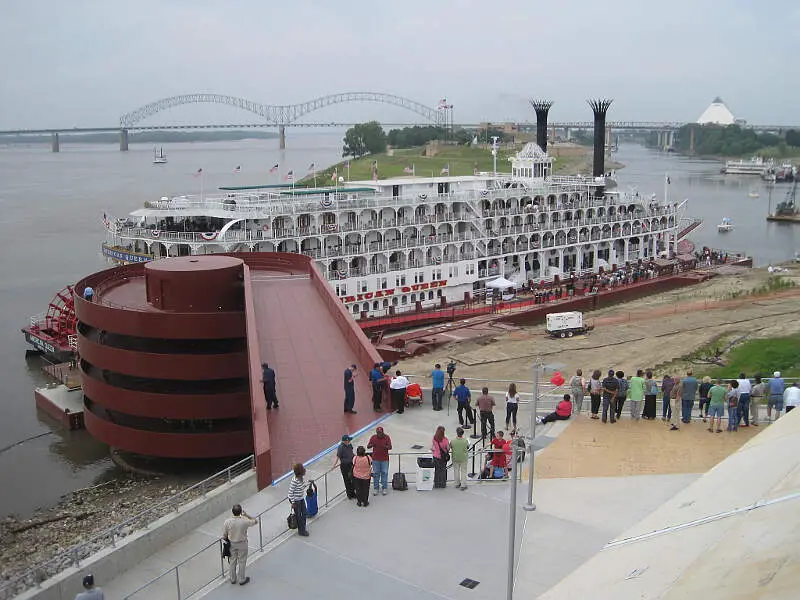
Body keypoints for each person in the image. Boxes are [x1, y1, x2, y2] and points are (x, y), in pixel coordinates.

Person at [222, 504, 258, 584]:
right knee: (242, 561)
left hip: (232, 544)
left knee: (232, 561)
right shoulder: (245, 521)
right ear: (240, 511)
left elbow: (224, 535)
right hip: (242, 543)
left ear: (232, 512)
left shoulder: (227, 522)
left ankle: (232, 578)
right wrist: (246, 515)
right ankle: (241, 579)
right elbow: (255, 521)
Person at [367, 426, 392, 496]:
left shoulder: (387, 437)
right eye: (378, 433)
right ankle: (376, 488)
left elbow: (390, 447)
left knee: (385, 473)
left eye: (380, 433)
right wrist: (372, 444)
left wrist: (384, 446)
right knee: (376, 474)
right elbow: (368, 446)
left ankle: (384, 488)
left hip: (384, 459)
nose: (379, 434)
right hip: (375, 459)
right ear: (376, 432)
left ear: (382, 432)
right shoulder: (373, 437)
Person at [287, 464, 310, 537]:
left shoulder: (301, 478)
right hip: (296, 501)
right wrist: (293, 502)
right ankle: (301, 530)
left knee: (304, 513)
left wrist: (309, 483)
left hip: (301, 498)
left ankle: (302, 528)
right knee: (299, 516)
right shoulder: (295, 481)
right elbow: (290, 493)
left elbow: (302, 487)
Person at [333, 435, 356, 500]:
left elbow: (351, 453)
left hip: (351, 463)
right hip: (345, 465)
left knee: (353, 479)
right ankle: (349, 494)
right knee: (347, 480)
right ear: (345, 441)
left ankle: (353, 493)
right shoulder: (341, 447)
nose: (349, 441)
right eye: (348, 440)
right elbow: (338, 457)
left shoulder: (350, 445)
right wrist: (334, 466)